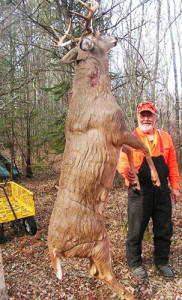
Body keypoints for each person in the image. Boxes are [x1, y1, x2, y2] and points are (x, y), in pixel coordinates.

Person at [117, 101, 180, 279]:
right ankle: (135, 263)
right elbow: (122, 162)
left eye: (149, 114)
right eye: (143, 115)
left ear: (155, 116)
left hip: (162, 192)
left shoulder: (165, 137)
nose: (146, 118)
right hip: (139, 192)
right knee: (135, 229)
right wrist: (127, 173)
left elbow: (173, 165)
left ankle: (162, 261)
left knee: (164, 227)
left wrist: (175, 187)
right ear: (138, 116)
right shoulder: (130, 137)